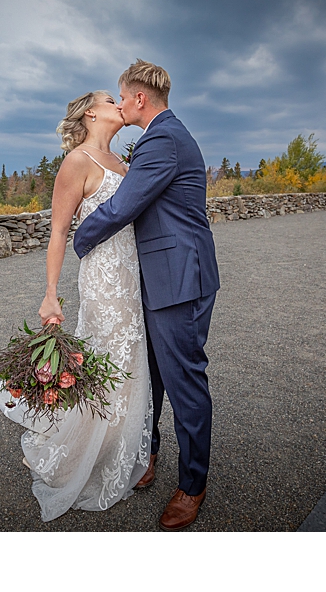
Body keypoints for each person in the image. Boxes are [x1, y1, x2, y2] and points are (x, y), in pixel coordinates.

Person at [72, 59, 220, 531]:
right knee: (151, 376)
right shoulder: (165, 135)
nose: (117, 104)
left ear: (139, 99)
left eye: (121, 96)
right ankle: (147, 454)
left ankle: (192, 486)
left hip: (178, 280)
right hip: (159, 279)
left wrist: (80, 236)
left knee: (184, 383)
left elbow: (124, 205)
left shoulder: (161, 139)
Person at [0, 90, 154, 522]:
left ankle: (117, 452)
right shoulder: (77, 163)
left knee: (131, 367)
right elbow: (59, 233)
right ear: (91, 112)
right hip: (102, 280)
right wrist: (50, 292)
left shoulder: (126, 163)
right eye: (110, 98)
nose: (119, 103)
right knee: (106, 362)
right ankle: (73, 455)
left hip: (134, 279)